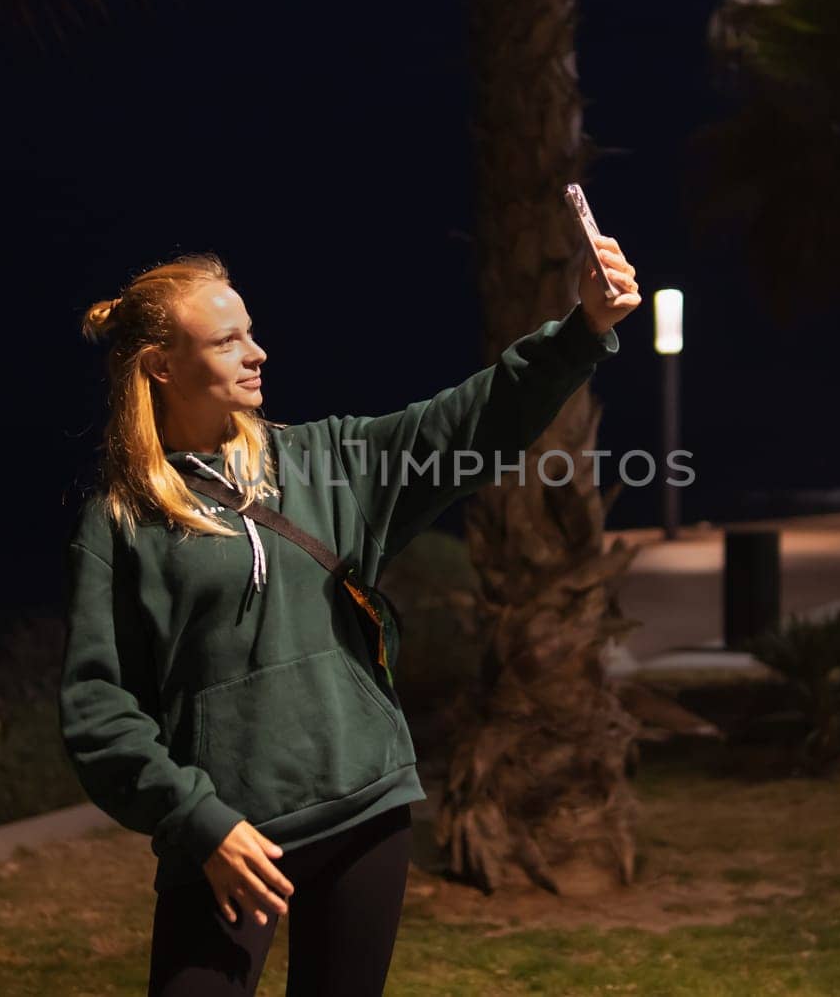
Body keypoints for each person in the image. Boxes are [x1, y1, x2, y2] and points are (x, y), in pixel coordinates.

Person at [60, 235, 641, 996]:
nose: (256, 352)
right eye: (228, 339)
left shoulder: (326, 464)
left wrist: (581, 330)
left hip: (365, 809)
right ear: (162, 366)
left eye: (252, 331)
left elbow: (468, 422)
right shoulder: (122, 521)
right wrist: (198, 820)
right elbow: (100, 711)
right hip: (230, 841)